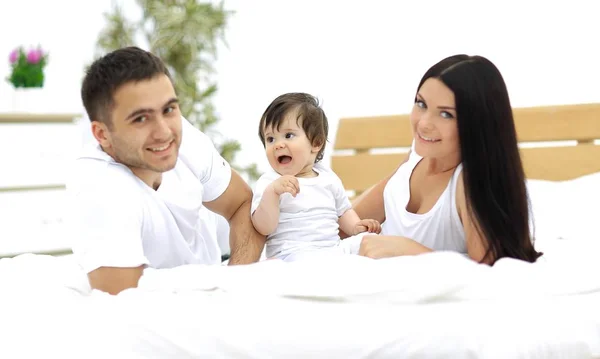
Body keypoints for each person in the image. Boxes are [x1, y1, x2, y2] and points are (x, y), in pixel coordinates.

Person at [68, 46, 265, 295]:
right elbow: (124, 306)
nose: (164, 132)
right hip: (197, 294)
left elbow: (242, 203)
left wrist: (235, 279)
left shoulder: (183, 138)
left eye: (169, 109)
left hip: (218, 272)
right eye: (141, 118)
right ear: (102, 134)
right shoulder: (100, 190)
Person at [350, 54, 543, 264]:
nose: (423, 123)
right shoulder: (415, 159)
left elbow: (491, 271)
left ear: (477, 124)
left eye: (446, 115)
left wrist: (409, 250)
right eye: (421, 104)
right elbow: (347, 222)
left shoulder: (466, 181)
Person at [251, 93, 381, 261]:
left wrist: (356, 227)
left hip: (331, 249)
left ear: (316, 143)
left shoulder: (328, 178)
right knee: (275, 266)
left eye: (288, 135)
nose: (278, 145)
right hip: (291, 254)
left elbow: (343, 211)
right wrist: (273, 193)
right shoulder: (270, 182)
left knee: (371, 242)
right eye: (270, 139)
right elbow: (263, 227)